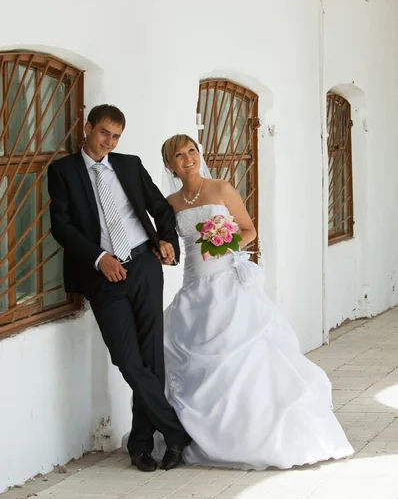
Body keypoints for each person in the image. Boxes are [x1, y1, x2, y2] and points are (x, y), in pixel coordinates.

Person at [157, 133, 354, 470]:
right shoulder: (170, 202)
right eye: (179, 154)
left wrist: (224, 240)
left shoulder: (221, 189)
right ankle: (193, 433)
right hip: (194, 288)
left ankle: (252, 434)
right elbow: (167, 241)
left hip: (228, 286)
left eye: (192, 150)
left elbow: (248, 229)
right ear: (169, 164)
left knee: (243, 357)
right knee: (181, 355)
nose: (188, 158)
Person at [48, 105, 190, 472]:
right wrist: (99, 258)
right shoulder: (63, 171)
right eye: (104, 134)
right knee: (127, 359)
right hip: (102, 275)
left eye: (115, 137)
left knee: (150, 358)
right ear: (88, 128)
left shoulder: (128, 164)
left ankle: (142, 445)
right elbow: (62, 227)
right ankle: (176, 433)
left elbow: (161, 208)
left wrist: (165, 239)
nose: (108, 142)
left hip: (143, 264)